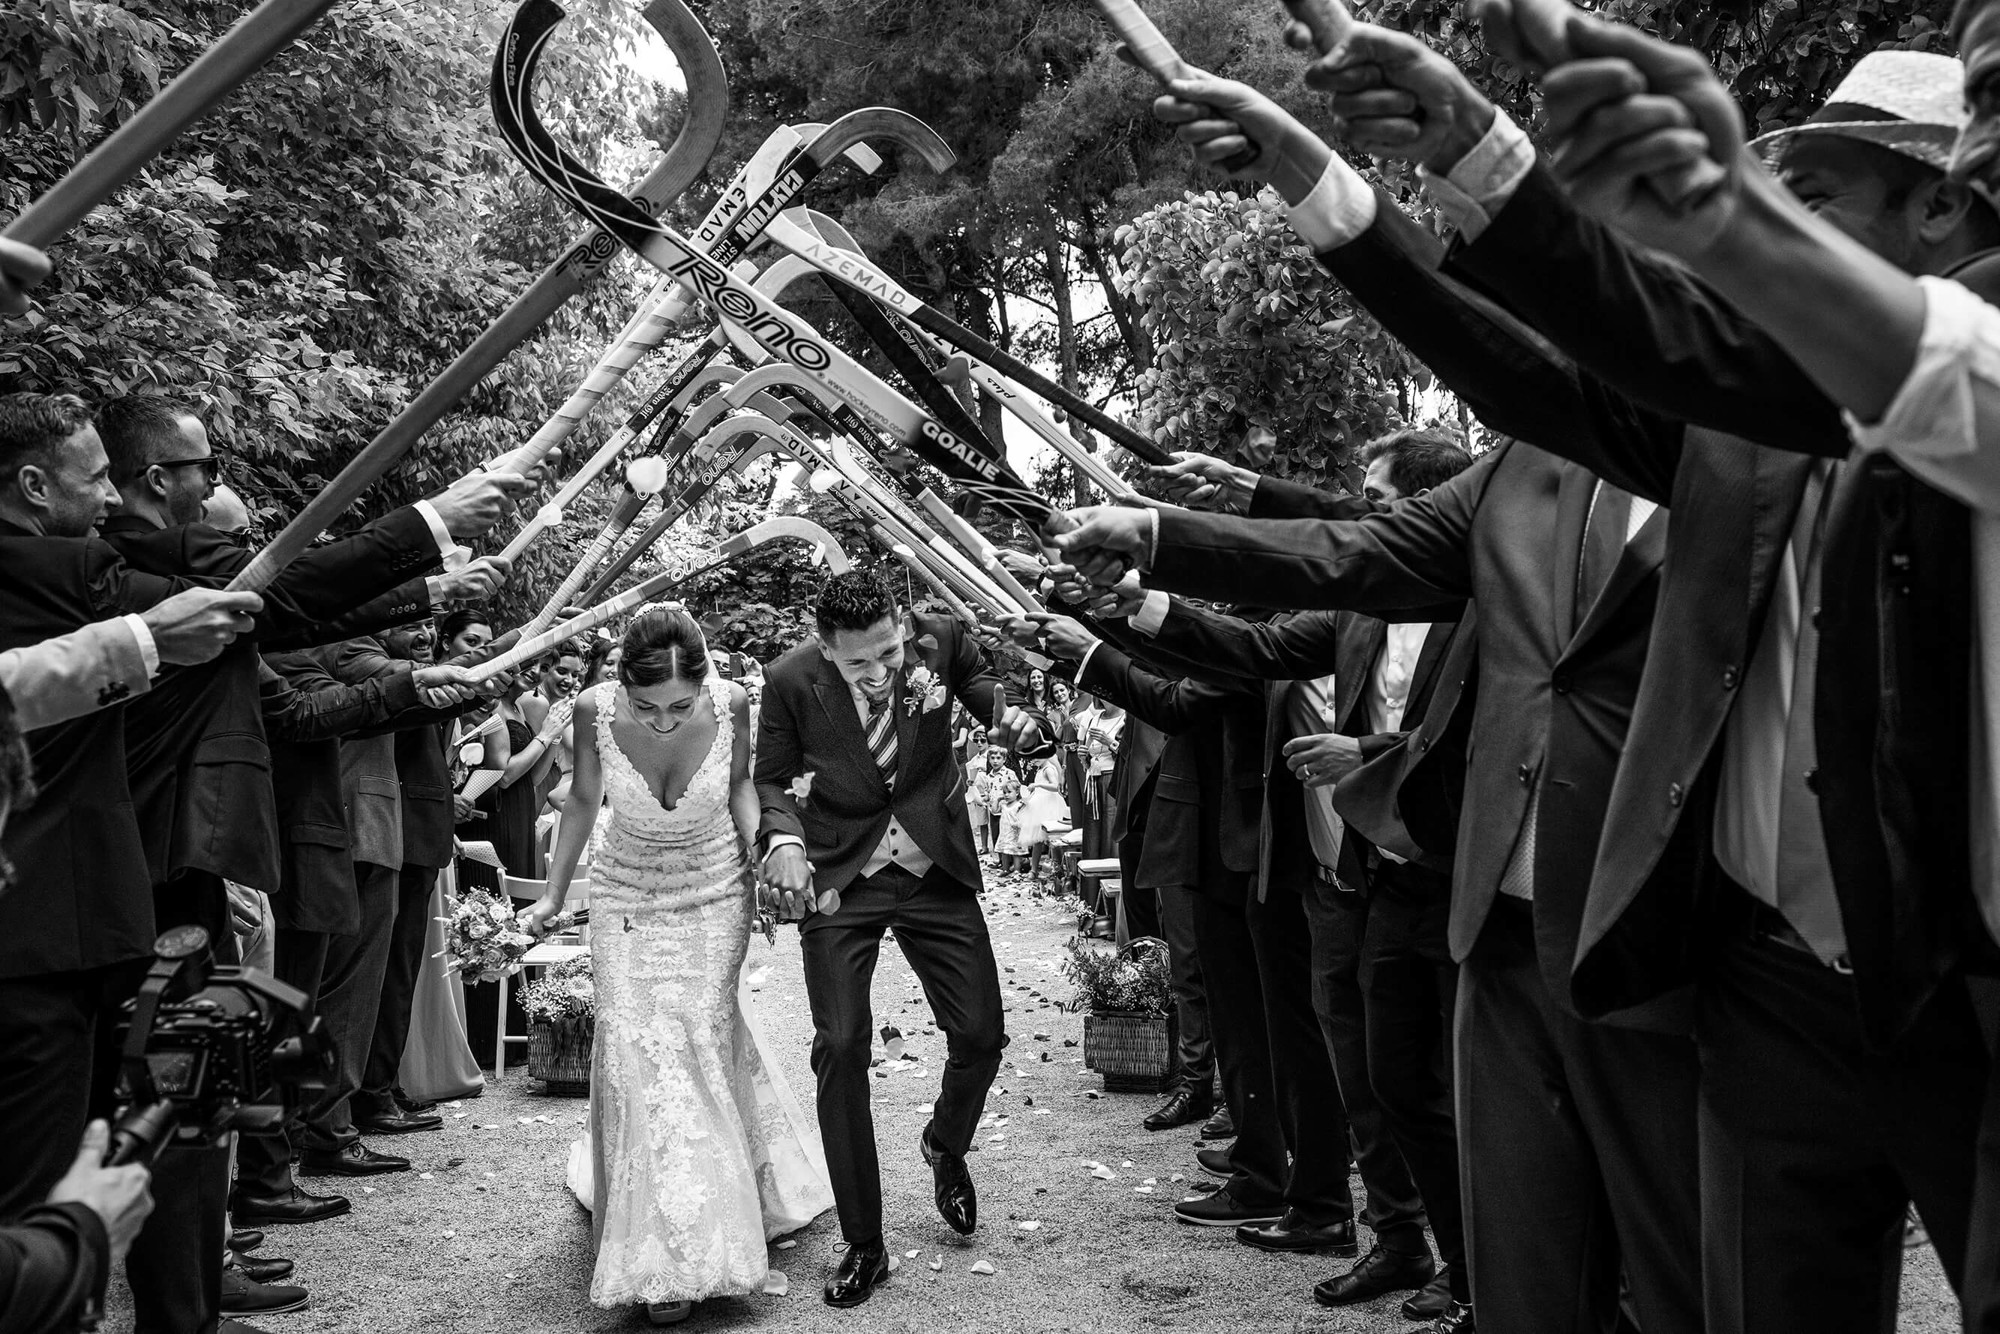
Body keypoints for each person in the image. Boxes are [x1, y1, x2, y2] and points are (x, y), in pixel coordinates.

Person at [518, 604, 832, 1324]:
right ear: (621, 686)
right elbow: (583, 804)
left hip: (714, 891)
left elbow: (743, 787)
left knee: (696, 1039)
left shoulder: (734, 705)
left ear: (705, 684)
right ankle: (653, 1245)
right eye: (647, 706)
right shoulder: (593, 709)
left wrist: (770, 856)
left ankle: (710, 1232)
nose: (662, 722)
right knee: (633, 1045)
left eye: (679, 707)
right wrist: (552, 898)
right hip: (625, 896)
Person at [752, 571, 1043, 1308]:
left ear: (900, 626)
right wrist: (782, 840)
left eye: (889, 654)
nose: (881, 673)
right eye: (860, 664)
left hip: (931, 865)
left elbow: (989, 696)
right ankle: (865, 1244)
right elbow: (773, 780)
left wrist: (1020, 725)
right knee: (842, 1044)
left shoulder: (938, 638)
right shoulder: (788, 679)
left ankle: (945, 1143)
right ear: (825, 648)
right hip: (839, 872)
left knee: (980, 1034)